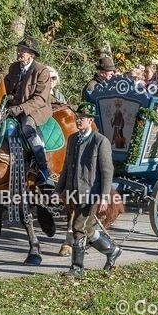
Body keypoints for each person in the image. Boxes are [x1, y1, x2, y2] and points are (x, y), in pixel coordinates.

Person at [55, 102, 121, 277]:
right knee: (88, 230)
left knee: (78, 227)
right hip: (73, 193)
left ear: (90, 121)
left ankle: (77, 268)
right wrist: (58, 191)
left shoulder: (100, 141)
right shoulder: (72, 139)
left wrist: (104, 197)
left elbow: (107, 171)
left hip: (91, 194)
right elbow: (66, 167)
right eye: (77, 117)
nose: (78, 120)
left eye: (82, 118)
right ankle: (112, 251)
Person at [4, 35, 54, 184]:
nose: (19, 53)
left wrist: (20, 108)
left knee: (27, 127)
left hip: (36, 109)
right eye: (19, 49)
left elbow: (40, 98)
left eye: (23, 50)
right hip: (14, 108)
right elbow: (4, 87)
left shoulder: (41, 71)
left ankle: (43, 167)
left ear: (31, 54)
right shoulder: (13, 68)